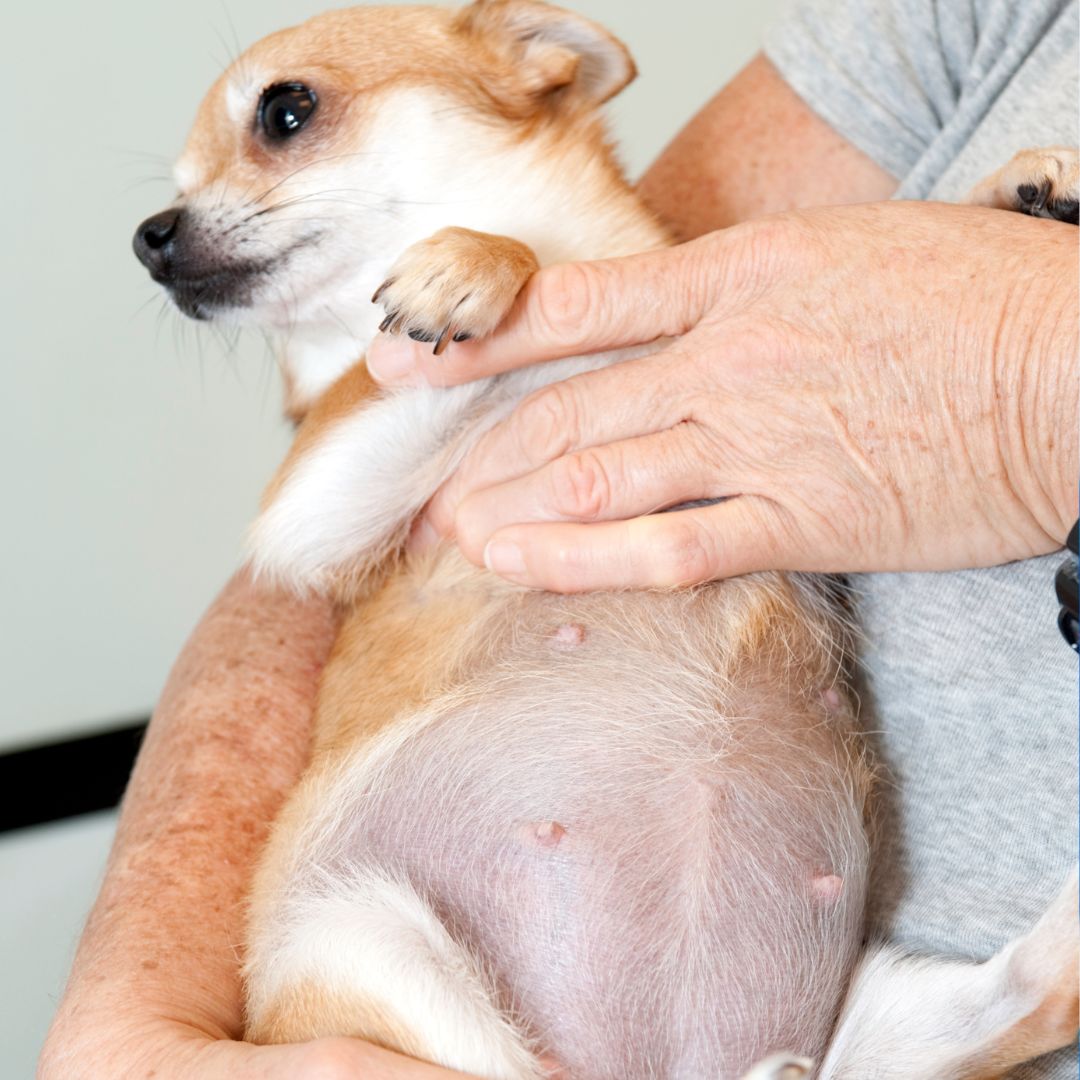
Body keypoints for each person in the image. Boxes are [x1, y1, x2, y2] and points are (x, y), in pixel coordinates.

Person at [41, 0, 1078, 1076]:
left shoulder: (561, 304)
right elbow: (305, 538)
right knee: (338, 936)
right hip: (450, 972)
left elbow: (854, 356)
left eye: (288, 116)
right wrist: (132, 1031)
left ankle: (1024, 993)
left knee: (948, 1016)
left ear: (535, 64)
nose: (178, 225)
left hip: (795, 989)